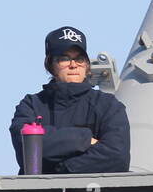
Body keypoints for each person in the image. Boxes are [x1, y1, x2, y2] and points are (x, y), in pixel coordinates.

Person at [8, 26, 130, 174]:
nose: (73, 65)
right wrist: (84, 139)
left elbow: (117, 157)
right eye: (64, 59)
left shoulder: (108, 105)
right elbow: (27, 149)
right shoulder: (32, 105)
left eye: (79, 59)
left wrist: (63, 169)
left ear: (87, 65)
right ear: (50, 64)